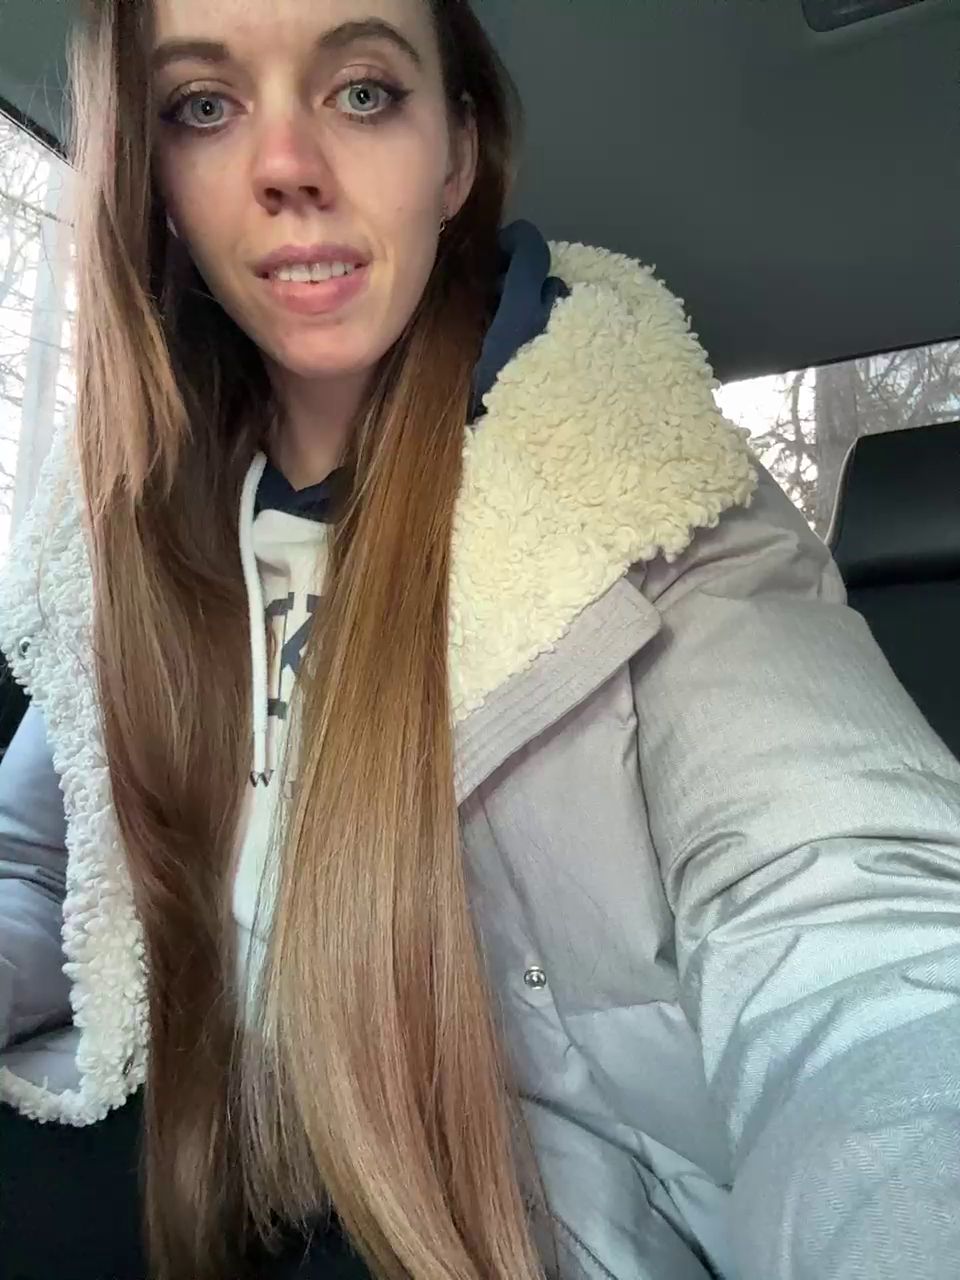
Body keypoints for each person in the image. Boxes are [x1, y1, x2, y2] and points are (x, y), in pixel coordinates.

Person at [2, 0, 960, 1277]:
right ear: (158, 186)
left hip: (503, 1220)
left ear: (455, 156)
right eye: (205, 106)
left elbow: (846, 919)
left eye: (361, 91)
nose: (286, 164)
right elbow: (35, 870)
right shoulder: (119, 545)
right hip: (194, 1167)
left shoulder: (651, 497)